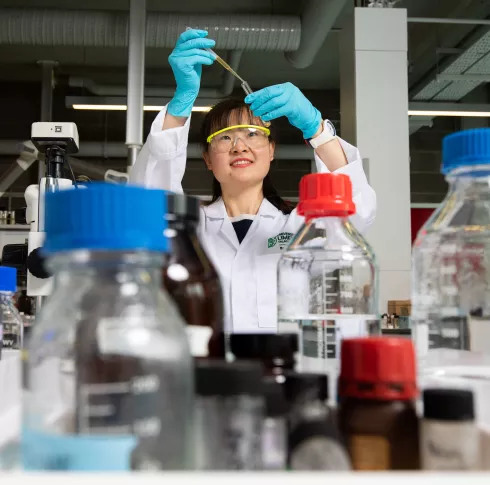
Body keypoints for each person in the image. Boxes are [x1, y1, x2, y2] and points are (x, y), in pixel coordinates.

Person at [130, 29, 376, 334]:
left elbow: (354, 208)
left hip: (287, 374)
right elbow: (146, 206)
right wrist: (181, 104)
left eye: (252, 134)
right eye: (224, 137)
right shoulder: (190, 230)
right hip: (207, 375)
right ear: (207, 158)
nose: (239, 146)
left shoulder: (300, 227)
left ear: (271, 151)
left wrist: (317, 130)